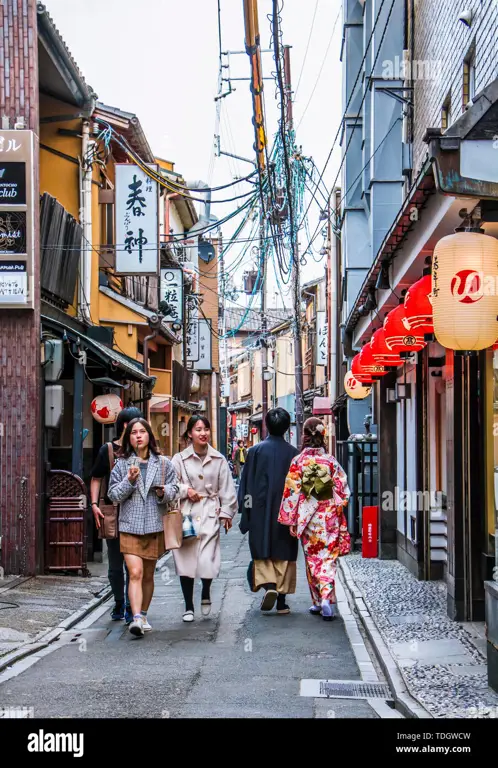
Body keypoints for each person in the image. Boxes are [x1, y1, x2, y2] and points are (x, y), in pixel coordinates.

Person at [107, 418, 178, 637]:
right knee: (135, 572)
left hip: (154, 525)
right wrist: (128, 481)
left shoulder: (164, 463)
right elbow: (113, 495)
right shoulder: (121, 464)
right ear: (128, 438)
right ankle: (135, 618)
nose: (138, 435)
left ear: (149, 435)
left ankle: (143, 613)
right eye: (133, 433)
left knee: (148, 575)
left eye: (142, 432)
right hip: (130, 525)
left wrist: (162, 492)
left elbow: (175, 489)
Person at [278, 417, 351, 621]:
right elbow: (343, 490)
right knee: (328, 559)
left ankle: (319, 601)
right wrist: (335, 504)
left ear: (304, 436)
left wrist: (291, 520)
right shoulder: (330, 461)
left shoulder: (298, 462)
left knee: (312, 559)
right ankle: (325, 598)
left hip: (308, 518)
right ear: (322, 435)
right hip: (328, 517)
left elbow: (291, 492)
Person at [171, 415, 237, 622]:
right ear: (190, 433)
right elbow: (171, 485)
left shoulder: (218, 459)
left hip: (210, 511)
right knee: (186, 560)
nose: (203, 433)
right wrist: (185, 490)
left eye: (206, 429)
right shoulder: (179, 459)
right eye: (198, 429)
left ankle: (206, 591)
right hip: (186, 514)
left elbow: (227, 488)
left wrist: (227, 513)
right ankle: (188, 605)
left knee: (208, 559)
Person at [238, 408, 299, 614]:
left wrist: (245, 512)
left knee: (262, 550)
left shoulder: (254, 452)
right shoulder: (294, 454)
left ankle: (269, 586)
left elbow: (245, 485)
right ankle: (281, 601)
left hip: (259, 510)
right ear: (286, 427)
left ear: (266, 425)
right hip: (285, 512)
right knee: (284, 552)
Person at [90, 406, 142, 623]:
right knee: (114, 564)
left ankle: (132, 606)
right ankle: (119, 602)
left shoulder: (144, 450)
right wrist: (93, 504)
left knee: (134, 564)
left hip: (137, 514)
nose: (140, 431)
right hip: (112, 513)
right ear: (124, 426)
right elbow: (96, 477)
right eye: (135, 425)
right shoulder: (109, 450)